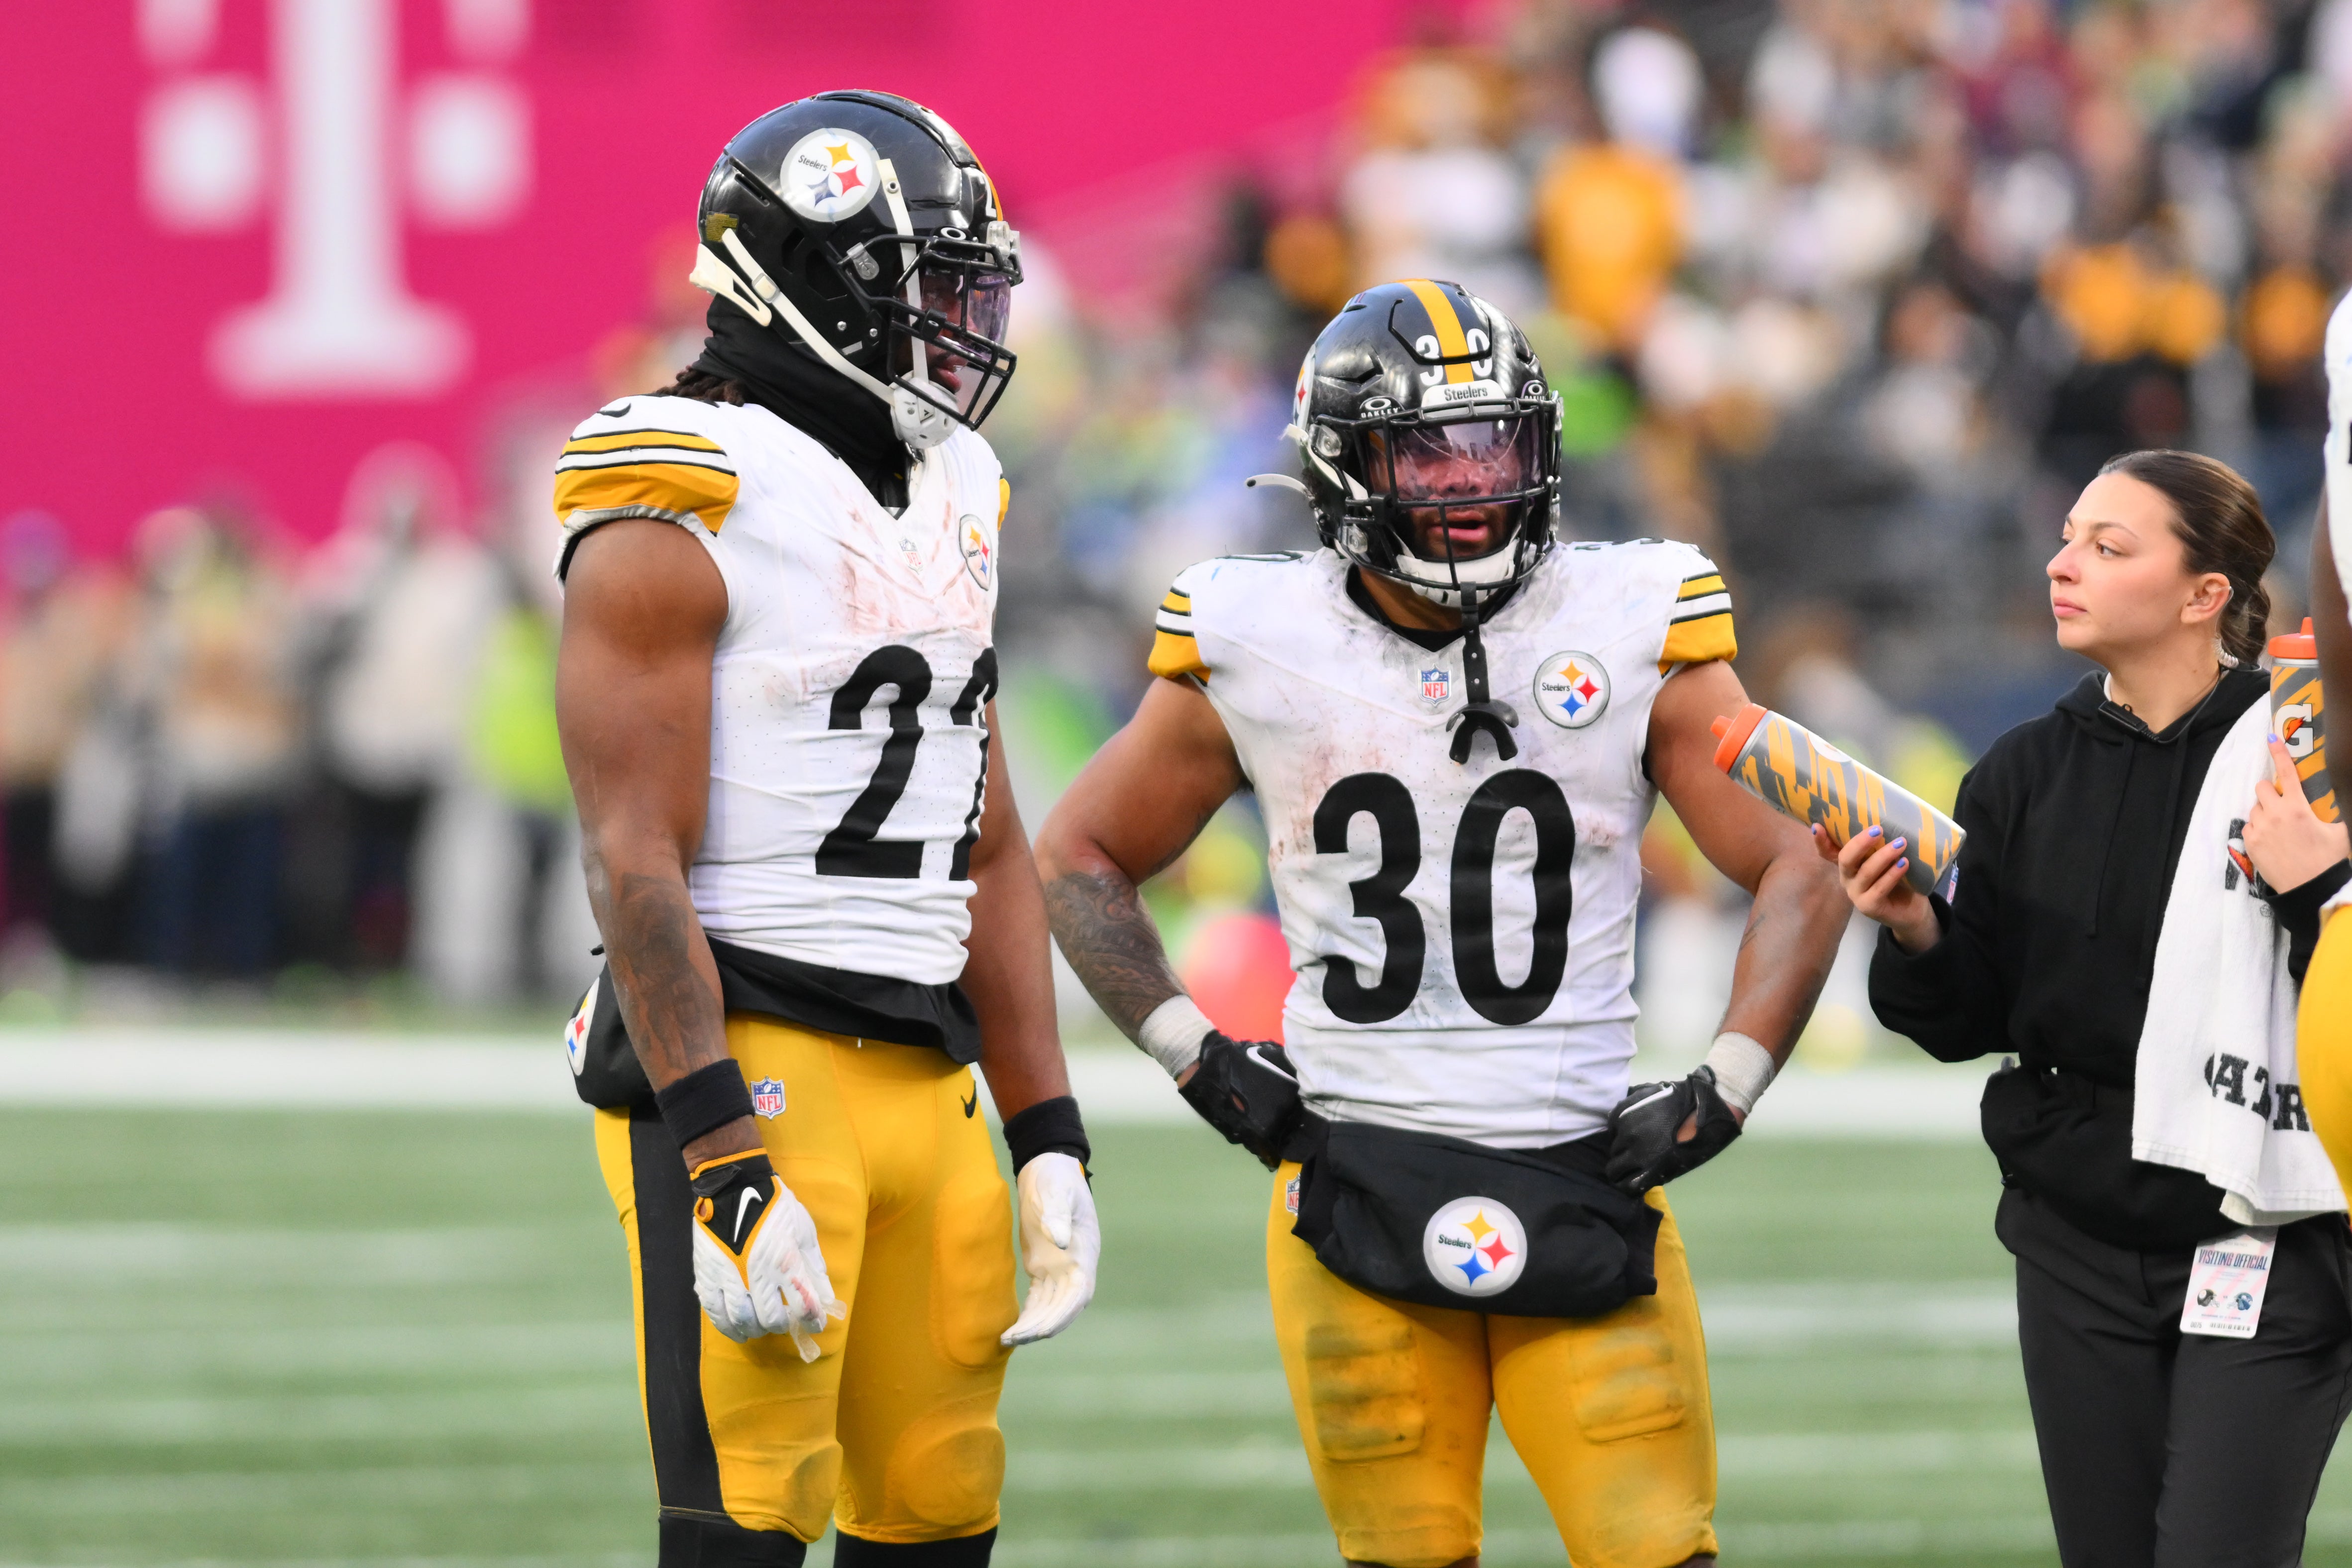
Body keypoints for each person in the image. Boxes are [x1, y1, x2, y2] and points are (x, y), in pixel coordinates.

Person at [1034, 279, 1848, 1568]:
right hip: (1349, 1174)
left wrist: (1726, 1085)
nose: (1472, 484)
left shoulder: (1629, 615)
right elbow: (1076, 857)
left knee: (1656, 1553)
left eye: (1495, 447)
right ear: (1342, 463)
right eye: (1430, 452)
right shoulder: (1256, 632)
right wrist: (1194, 1053)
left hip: (1580, 1163)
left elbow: (1800, 860)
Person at [553, 92, 1096, 1567]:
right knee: (746, 1519)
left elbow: (979, 831)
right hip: (755, 1050)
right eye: (934, 290)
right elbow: (633, 859)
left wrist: (1047, 1126)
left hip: (931, 1077)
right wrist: (720, 1151)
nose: (967, 327)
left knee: (938, 1508)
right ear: (814, 283)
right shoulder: (681, 479)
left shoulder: (958, 481)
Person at [1828, 449, 2352, 1568]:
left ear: (2203, 594)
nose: (2062, 565)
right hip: (2073, 1235)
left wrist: (2317, 883)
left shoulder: (2306, 756)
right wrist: (1915, 928)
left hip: (2260, 1224)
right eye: (2068, 537)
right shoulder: (2018, 771)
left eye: (2108, 547)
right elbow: (1972, 1016)